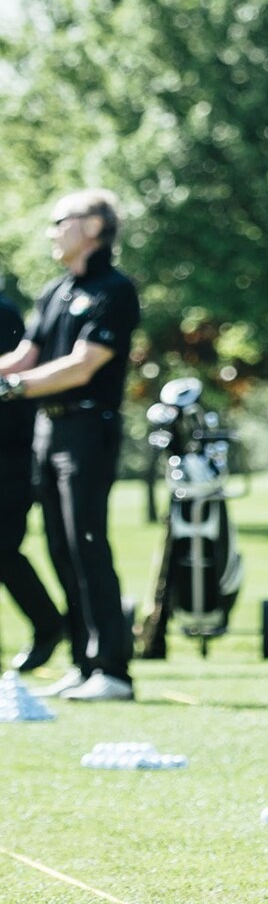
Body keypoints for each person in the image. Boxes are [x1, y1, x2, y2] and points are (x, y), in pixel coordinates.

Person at [0, 190, 142, 702]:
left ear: (93, 227)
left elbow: (83, 365)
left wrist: (12, 388)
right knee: (59, 546)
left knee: (86, 543)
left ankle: (113, 670)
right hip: (48, 429)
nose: (52, 231)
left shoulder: (114, 290)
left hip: (87, 428)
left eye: (61, 221)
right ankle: (84, 662)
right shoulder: (56, 291)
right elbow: (25, 354)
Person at [0, 285, 60, 672]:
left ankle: (49, 624)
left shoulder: (4, 316)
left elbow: (19, 386)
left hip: (10, 458)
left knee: (3, 549)